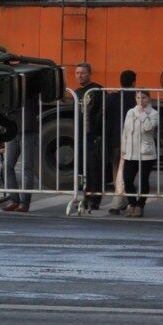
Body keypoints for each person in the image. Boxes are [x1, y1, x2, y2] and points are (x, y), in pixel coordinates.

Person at [67, 62, 106, 213]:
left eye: (82, 73)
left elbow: (102, 113)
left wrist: (98, 133)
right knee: (81, 168)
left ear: (89, 74)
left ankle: (94, 200)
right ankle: (83, 197)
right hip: (79, 135)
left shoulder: (97, 90)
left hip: (93, 135)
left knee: (93, 168)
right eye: (77, 73)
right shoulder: (76, 92)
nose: (79, 76)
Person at [119, 90, 159, 217]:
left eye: (144, 98)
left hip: (146, 153)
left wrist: (142, 114)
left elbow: (148, 128)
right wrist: (123, 149)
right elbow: (125, 131)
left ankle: (140, 206)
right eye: (138, 98)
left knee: (143, 180)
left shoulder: (154, 113)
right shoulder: (130, 112)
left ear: (149, 99)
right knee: (127, 179)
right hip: (130, 152)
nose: (141, 101)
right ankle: (133, 204)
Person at [104, 69, 135, 211]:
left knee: (117, 169)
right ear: (134, 82)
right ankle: (126, 200)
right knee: (129, 171)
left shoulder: (113, 98)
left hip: (115, 138)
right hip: (132, 139)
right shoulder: (137, 98)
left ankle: (120, 199)